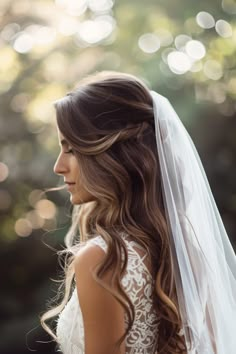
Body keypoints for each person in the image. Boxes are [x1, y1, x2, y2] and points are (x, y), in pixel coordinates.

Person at [40, 71, 236, 354]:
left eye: (71, 149)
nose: (58, 166)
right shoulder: (188, 251)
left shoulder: (102, 260)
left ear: (113, 154)